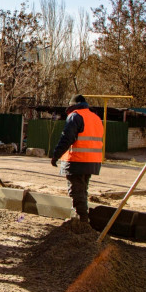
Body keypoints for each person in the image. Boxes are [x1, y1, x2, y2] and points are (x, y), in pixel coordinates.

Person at [50, 94, 104, 224]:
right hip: (93, 161)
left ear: (72, 105)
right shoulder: (95, 118)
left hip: (77, 160)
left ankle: (81, 221)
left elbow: (67, 138)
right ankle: (82, 218)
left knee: (76, 191)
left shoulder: (75, 116)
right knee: (82, 190)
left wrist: (56, 155)